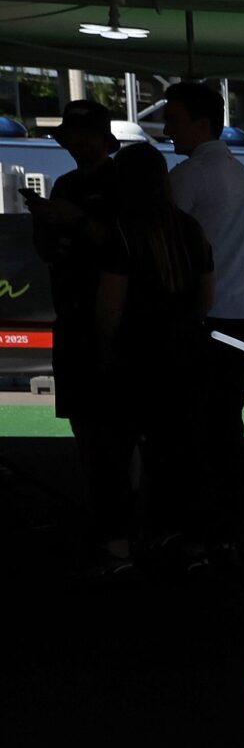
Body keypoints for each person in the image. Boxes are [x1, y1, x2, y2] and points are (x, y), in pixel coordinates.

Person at [95, 143, 213, 564]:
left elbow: (110, 306)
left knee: (117, 450)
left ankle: (119, 542)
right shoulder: (188, 228)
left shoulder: (120, 231)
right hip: (183, 353)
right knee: (181, 448)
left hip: (134, 354)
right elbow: (207, 296)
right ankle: (185, 537)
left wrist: (106, 354)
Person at [29, 101, 127, 567]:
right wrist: (46, 223)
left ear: (99, 137)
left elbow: (125, 249)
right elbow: (49, 251)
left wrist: (76, 223)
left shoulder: (122, 184)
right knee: (86, 428)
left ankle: (122, 526)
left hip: (112, 323)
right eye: (67, 136)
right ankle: (105, 516)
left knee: (117, 431)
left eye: (78, 135)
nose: (70, 144)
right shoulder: (65, 185)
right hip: (71, 320)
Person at [163, 80, 244, 554]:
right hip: (238, 314)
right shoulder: (240, 174)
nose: (165, 129)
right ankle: (228, 524)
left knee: (193, 428)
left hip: (203, 316)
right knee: (225, 424)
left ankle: (199, 528)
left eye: (174, 119)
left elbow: (159, 245)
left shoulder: (188, 176)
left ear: (201, 124)